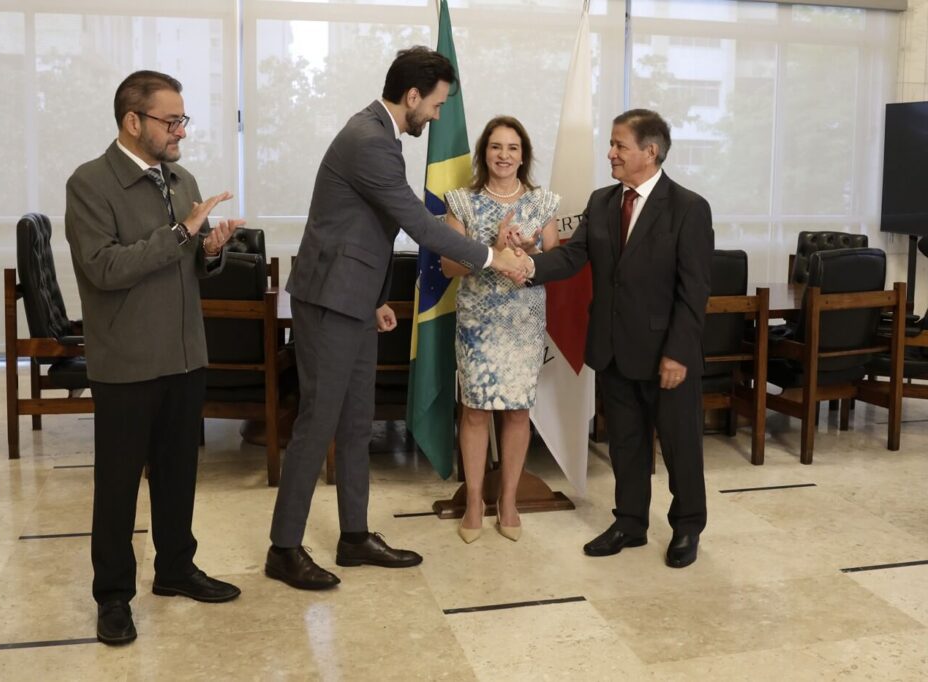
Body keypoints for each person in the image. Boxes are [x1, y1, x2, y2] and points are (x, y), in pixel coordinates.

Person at [265, 46, 528, 591]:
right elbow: (416, 221)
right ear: (412, 96)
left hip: (353, 298)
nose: (435, 117)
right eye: (434, 106)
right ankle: (283, 548)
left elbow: (359, 228)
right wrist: (491, 257)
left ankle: (354, 537)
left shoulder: (379, 135)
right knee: (319, 425)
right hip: (331, 302)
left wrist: (375, 296)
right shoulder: (369, 141)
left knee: (357, 425)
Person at [65, 70, 244, 645]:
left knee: (179, 474)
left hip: (185, 353)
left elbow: (188, 265)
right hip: (127, 360)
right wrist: (181, 233)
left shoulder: (180, 177)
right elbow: (104, 268)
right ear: (132, 121)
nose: (181, 133)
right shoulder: (90, 184)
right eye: (172, 121)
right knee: (118, 485)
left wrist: (209, 249)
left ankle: (175, 569)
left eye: (183, 120)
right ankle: (113, 596)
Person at [524, 109, 713, 569]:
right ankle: (630, 523)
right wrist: (529, 266)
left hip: (666, 355)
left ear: (650, 152)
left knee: (679, 444)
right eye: (611, 144)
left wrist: (678, 354)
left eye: (619, 145)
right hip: (611, 349)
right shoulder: (603, 201)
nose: (610, 153)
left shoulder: (689, 208)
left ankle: (687, 526)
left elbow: (695, 292)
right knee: (625, 444)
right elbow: (572, 258)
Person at [441, 116, 559, 543]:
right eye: (495, 147)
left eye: (512, 147)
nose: (504, 155)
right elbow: (448, 265)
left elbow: (553, 264)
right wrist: (493, 251)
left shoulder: (543, 202)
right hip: (478, 321)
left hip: (523, 321)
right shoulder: (462, 202)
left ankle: (508, 501)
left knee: (517, 410)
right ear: (483, 153)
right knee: (474, 410)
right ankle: (475, 501)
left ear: (523, 154)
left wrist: (528, 252)